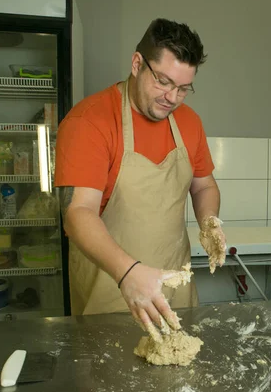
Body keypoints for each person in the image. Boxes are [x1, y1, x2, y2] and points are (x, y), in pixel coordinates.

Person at [54, 18, 226, 336]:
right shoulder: (89, 122)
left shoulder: (189, 123)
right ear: (137, 64)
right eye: (163, 81)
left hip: (177, 296)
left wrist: (210, 221)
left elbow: (203, 185)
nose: (172, 97)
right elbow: (77, 214)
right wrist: (128, 273)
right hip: (111, 295)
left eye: (183, 88)